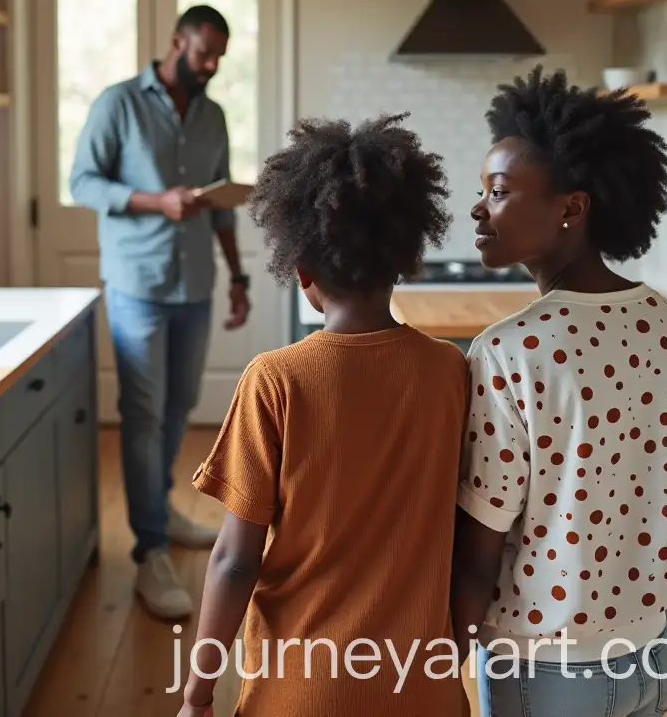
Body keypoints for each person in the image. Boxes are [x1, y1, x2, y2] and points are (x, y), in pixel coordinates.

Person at [175, 113, 471, 717]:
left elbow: (234, 560)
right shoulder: (450, 371)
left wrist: (197, 695)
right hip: (422, 691)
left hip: (301, 692)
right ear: (404, 260)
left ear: (302, 273)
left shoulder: (275, 381)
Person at [451, 66, 667, 717]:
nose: (478, 208)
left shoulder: (510, 349)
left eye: (500, 191)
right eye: (482, 190)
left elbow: (481, 552)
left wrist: (438, 662)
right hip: (649, 654)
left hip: (544, 668)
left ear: (572, 207)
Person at [69, 4, 252, 620]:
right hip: (136, 285)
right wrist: (154, 201)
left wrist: (238, 276)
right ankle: (150, 549)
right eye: (204, 53)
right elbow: (83, 183)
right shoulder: (118, 103)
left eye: (219, 57)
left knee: (178, 407)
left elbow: (222, 201)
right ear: (177, 41)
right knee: (143, 412)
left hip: (195, 282)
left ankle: (161, 507)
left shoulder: (214, 114)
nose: (212, 66)